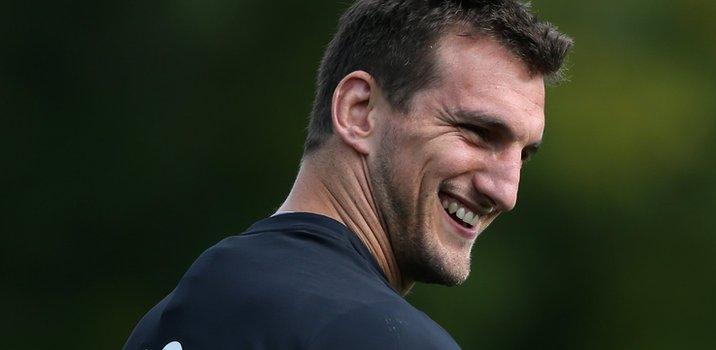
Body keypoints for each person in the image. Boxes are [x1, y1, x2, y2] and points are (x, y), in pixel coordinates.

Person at [123, 0, 571, 348]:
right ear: (359, 111)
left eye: (523, 154)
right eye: (477, 131)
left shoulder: (170, 320)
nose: (506, 190)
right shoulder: (379, 337)